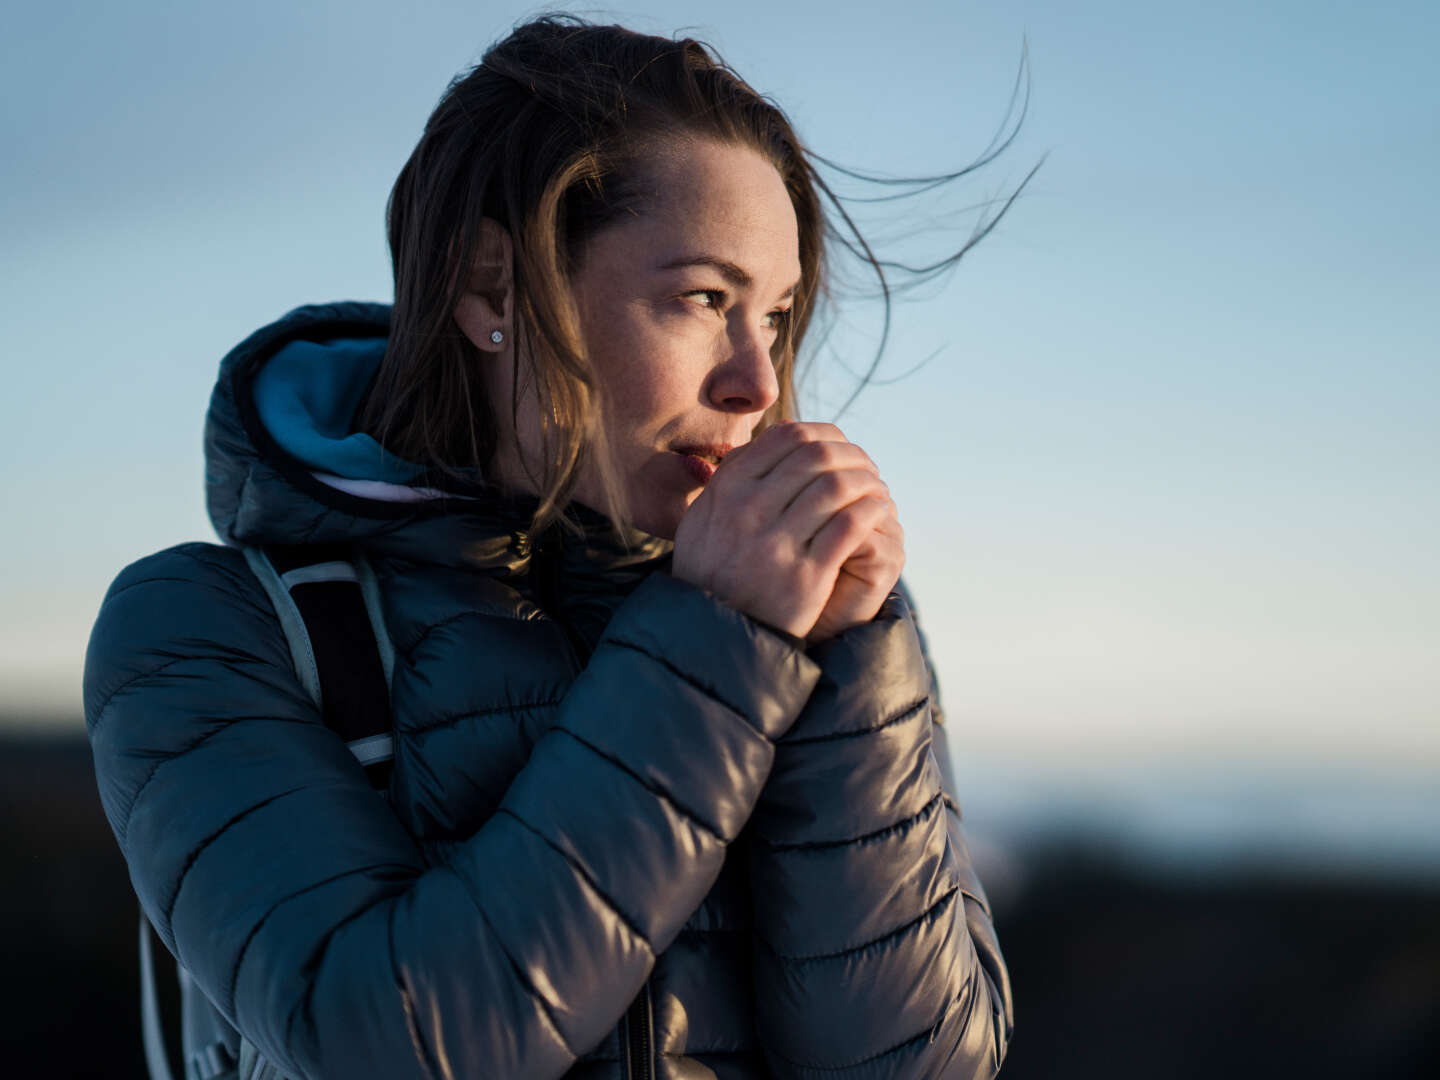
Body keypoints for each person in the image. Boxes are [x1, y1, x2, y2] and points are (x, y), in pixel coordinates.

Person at [84, 15, 1015, 1080]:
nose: (756, 383)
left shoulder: (806, 623)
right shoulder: (209, 627)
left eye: (776, 314)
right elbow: (391, 1047)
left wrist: (852, 656)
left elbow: (921, 1068)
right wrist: (715, 647)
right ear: (493, 288)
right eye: (703, 300)